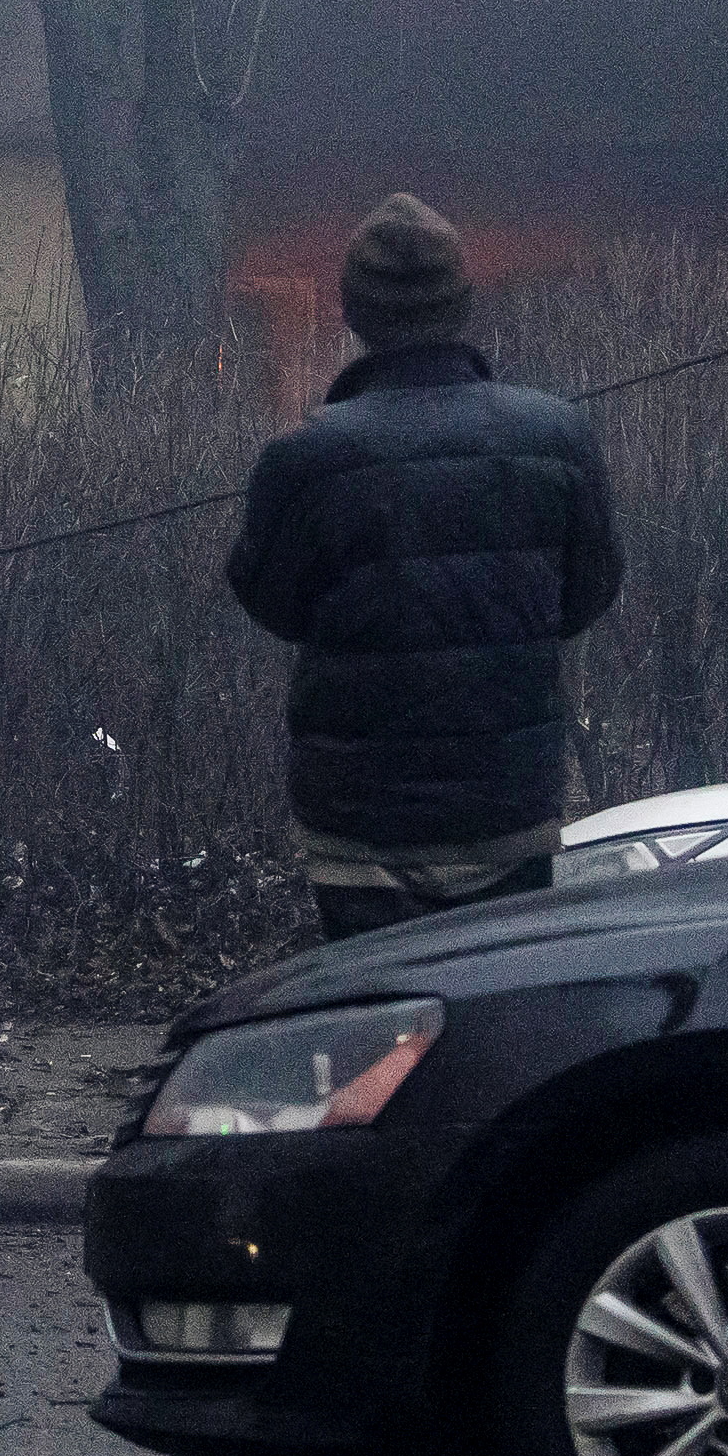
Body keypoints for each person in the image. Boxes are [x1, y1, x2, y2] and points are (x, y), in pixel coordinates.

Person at [228, 192, 625, 941]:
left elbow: (271, 603)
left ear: (352, 313)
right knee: (505, 1025)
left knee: (373, 1031)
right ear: (462, 306)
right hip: (507, 808)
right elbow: (589, 593)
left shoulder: (305, 457)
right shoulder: (556, 433)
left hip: (359, 818)